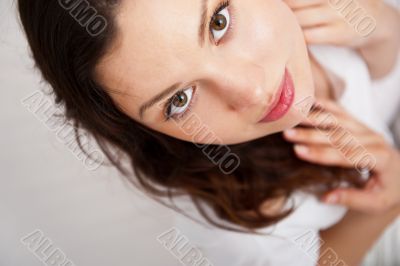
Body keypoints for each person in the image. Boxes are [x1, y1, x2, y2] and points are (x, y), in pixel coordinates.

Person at [17, 0, 400, 265]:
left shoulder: (330, 12)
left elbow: (377, 87)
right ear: (143, 130)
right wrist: (381, 205)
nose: (252, 93)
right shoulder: (240, 228)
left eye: (219, 22)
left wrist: (381, 28)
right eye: (180, 100)